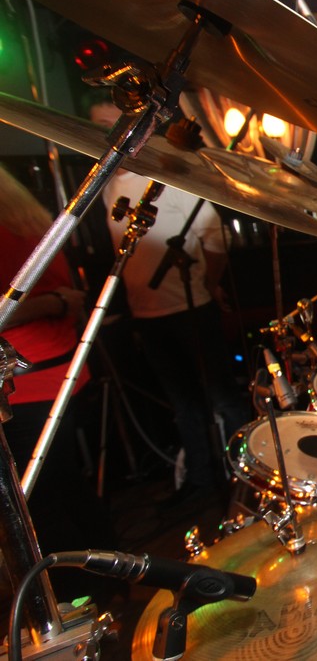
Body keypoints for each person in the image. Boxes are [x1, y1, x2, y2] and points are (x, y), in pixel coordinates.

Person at [87, 96, 249, 508]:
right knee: (183, 404)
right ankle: (200, 479)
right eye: (100, 124)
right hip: (146, 313)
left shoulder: (168, 177)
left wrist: (209, 283)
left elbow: (215, 237)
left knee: (222, 397)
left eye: (113, 121)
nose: (108, 132)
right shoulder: (109, 186)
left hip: (191, 309)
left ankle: (249, 476)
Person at [0, 164, 121, 605]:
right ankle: (113, 580)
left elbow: (13, 305)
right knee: (66, 486)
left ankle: (79, 598)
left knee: (40, 502)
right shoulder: (28, 219)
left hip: (25, 384)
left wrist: (49, 303)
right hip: (60, 370)